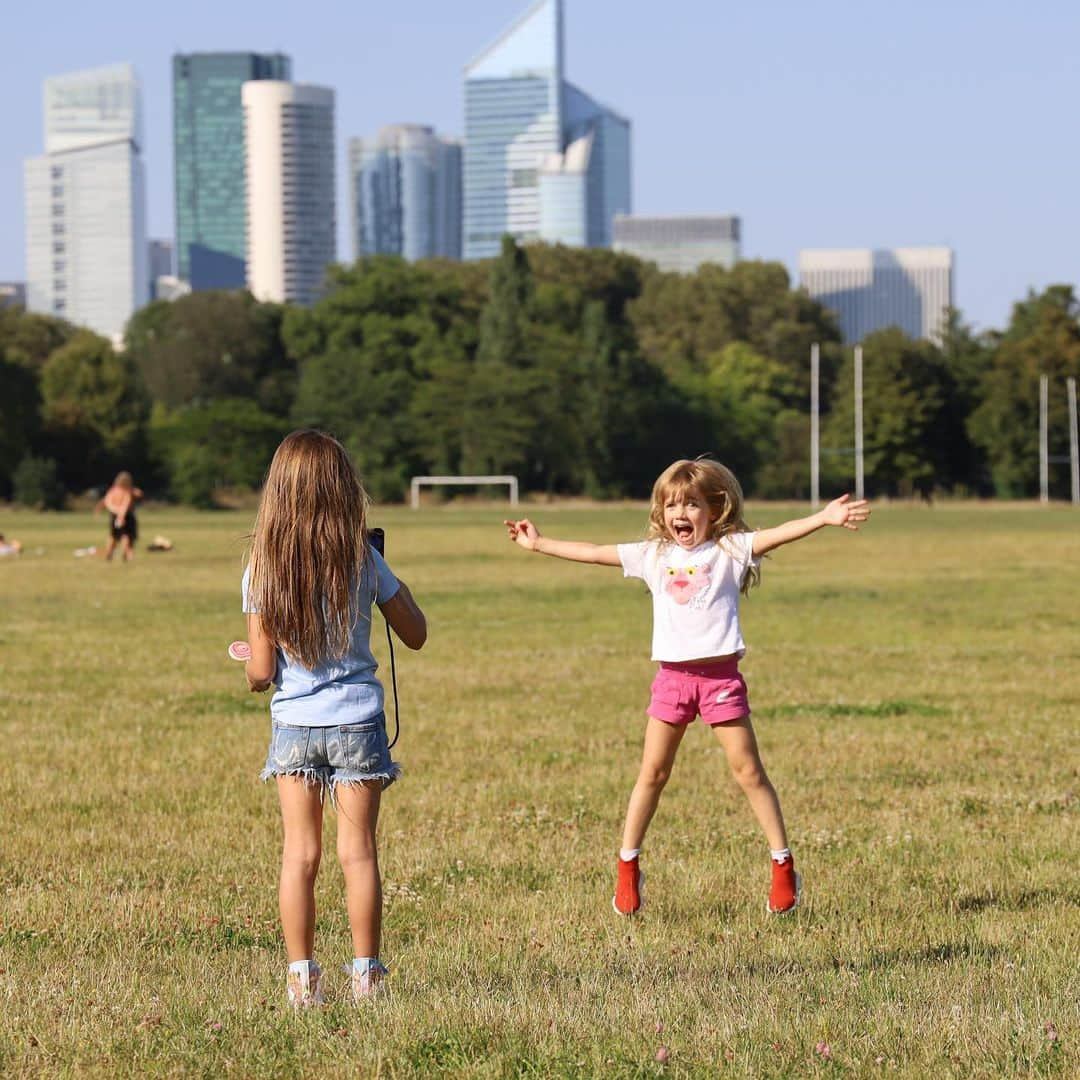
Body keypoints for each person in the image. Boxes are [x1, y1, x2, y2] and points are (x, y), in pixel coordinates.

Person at [504, 458, 870, 917]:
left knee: (749, 773)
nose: (682, 513)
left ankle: (783, 866)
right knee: (652, 775)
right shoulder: (654, 556)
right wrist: (538, 544)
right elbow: (595, 551)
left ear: (714, 509)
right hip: (673, 682)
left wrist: (823, 518)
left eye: (692, 504)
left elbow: (780, 533)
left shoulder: (731, 551)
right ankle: (627, 866)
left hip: (720, 681)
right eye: (672, 504)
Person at [241, 430, 427, 1008]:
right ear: (344, 490)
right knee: (359, 854)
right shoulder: (363, 557)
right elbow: (416, 633)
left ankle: (302, 980)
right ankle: (366, 978)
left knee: (300, 855)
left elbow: (262, 670)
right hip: (358, 722)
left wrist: (249, 667)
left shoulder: (262, 566)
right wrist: (382, 570)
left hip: (295, 726)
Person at [95, 472, 143, 562]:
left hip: (114, 515)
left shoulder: (113, 490)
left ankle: (109, 553)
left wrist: (98, 508)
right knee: (127, 535)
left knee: (113, 535)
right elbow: (126, 504)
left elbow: (106, 500)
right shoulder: (128, 491)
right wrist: (121, 516)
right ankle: (125, 554)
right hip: (126, 515)